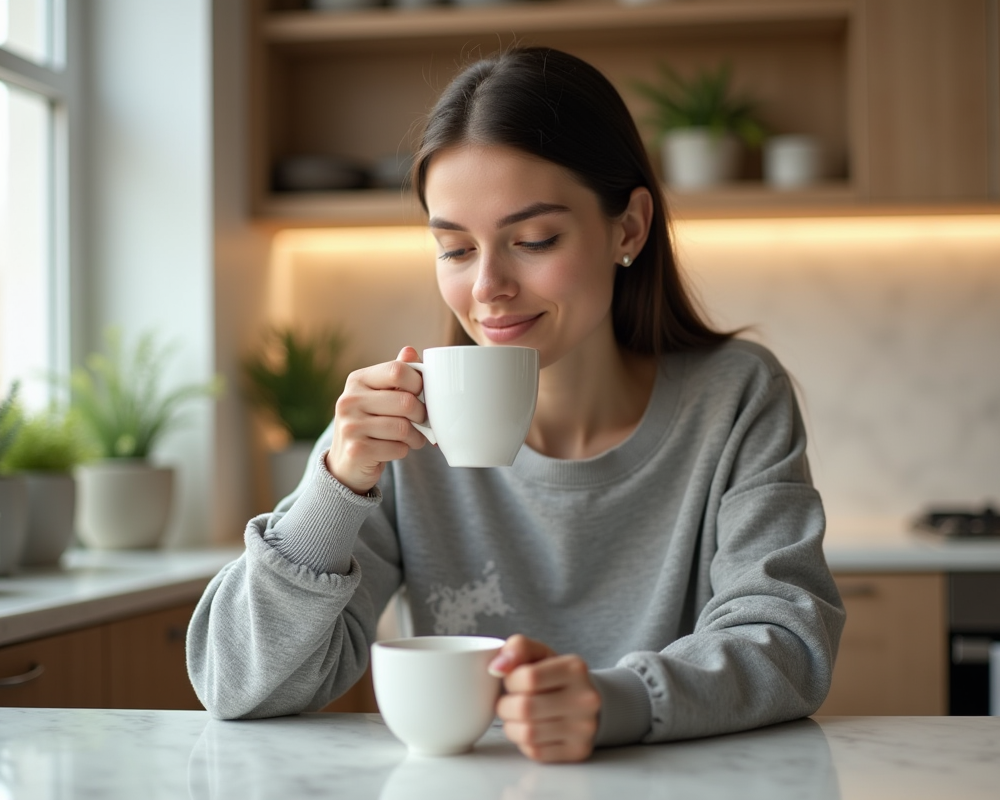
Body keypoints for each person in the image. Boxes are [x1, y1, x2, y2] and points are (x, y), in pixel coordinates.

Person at [188, 46, 845, 764]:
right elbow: (234, 684)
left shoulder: (734, 396)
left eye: (533, 240)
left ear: (628, 228)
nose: (487, 287)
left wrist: (615, 702)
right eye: (455, 249)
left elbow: (786, 640)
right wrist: (334, 491)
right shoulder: (400, 428)